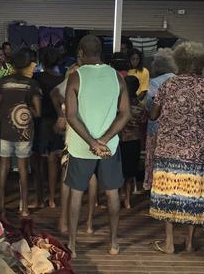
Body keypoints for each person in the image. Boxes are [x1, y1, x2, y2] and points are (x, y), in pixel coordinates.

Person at [149, 41, 204, 254]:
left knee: (169, 195)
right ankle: (190, 243)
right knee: (193, 196)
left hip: (169, 149)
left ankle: (169, 243)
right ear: (201, 63)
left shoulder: (168, 85)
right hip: (199, 152)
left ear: (178, 61)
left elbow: (154, 114)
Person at [65, 35, 131, 258]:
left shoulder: (76, 77)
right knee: (112, 194)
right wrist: (104, 140)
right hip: (109, 148)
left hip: (80, 148)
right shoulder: (116, 77)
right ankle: (113, 244)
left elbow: (71, 116)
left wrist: (92, 142)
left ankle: (72, 246)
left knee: (76, 195)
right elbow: (125, 114)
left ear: (81, 52)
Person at [0, 48, 42, 219]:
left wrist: (4, 115)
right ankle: (24, 208)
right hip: (24, 131)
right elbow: (38, 111)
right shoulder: (31, 84)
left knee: (4, 168)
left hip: (5, 130)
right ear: (28, 64)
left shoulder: (3, 82)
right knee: (22, 168)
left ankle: (1, 207)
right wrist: (26, 111)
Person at [51, 63, 98, 235]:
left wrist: (60, 115)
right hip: (92, 140)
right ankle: (89, 223)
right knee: (92, 178)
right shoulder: (93, 94)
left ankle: (64, 221)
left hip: (72, 142)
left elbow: (55, 94)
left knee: (66, 179)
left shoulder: (68, 97)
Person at [32, 47, 65, 209]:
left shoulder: (37, 77)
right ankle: (52, 198)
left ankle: (40, 197)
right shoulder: (62, 79)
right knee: (54, 161)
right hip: (57, 121)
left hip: (41, 121)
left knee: (38, 161)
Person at [143, 48, 176, 191]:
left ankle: (154, 187)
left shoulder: (155, 83)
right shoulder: (177, 80)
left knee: (154, 159)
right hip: (174, 128)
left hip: (156, 127)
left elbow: (149, 105)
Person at [119, 76, 145, 210]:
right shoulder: (140, 106)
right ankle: (127, 199)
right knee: (129, 172)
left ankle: (121, 195)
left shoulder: (119, 104)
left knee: (119, 171)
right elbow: (143, 122)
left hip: (118, 140)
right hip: (134, 141)